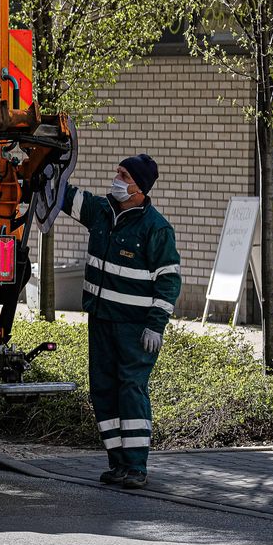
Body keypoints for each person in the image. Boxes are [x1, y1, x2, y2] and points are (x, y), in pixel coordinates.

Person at [62, 154, 181, 490]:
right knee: (103, 389)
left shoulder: (156, 228)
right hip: (101, 320)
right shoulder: (101, 211)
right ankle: (117, 463)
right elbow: (63, 195)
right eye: (117, 171)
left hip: (134, 328)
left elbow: (169, 280)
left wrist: (155, 325)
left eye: (124, 174)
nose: (116, 177)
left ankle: (136, 466)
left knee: (130, 390)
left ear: (139, 187)